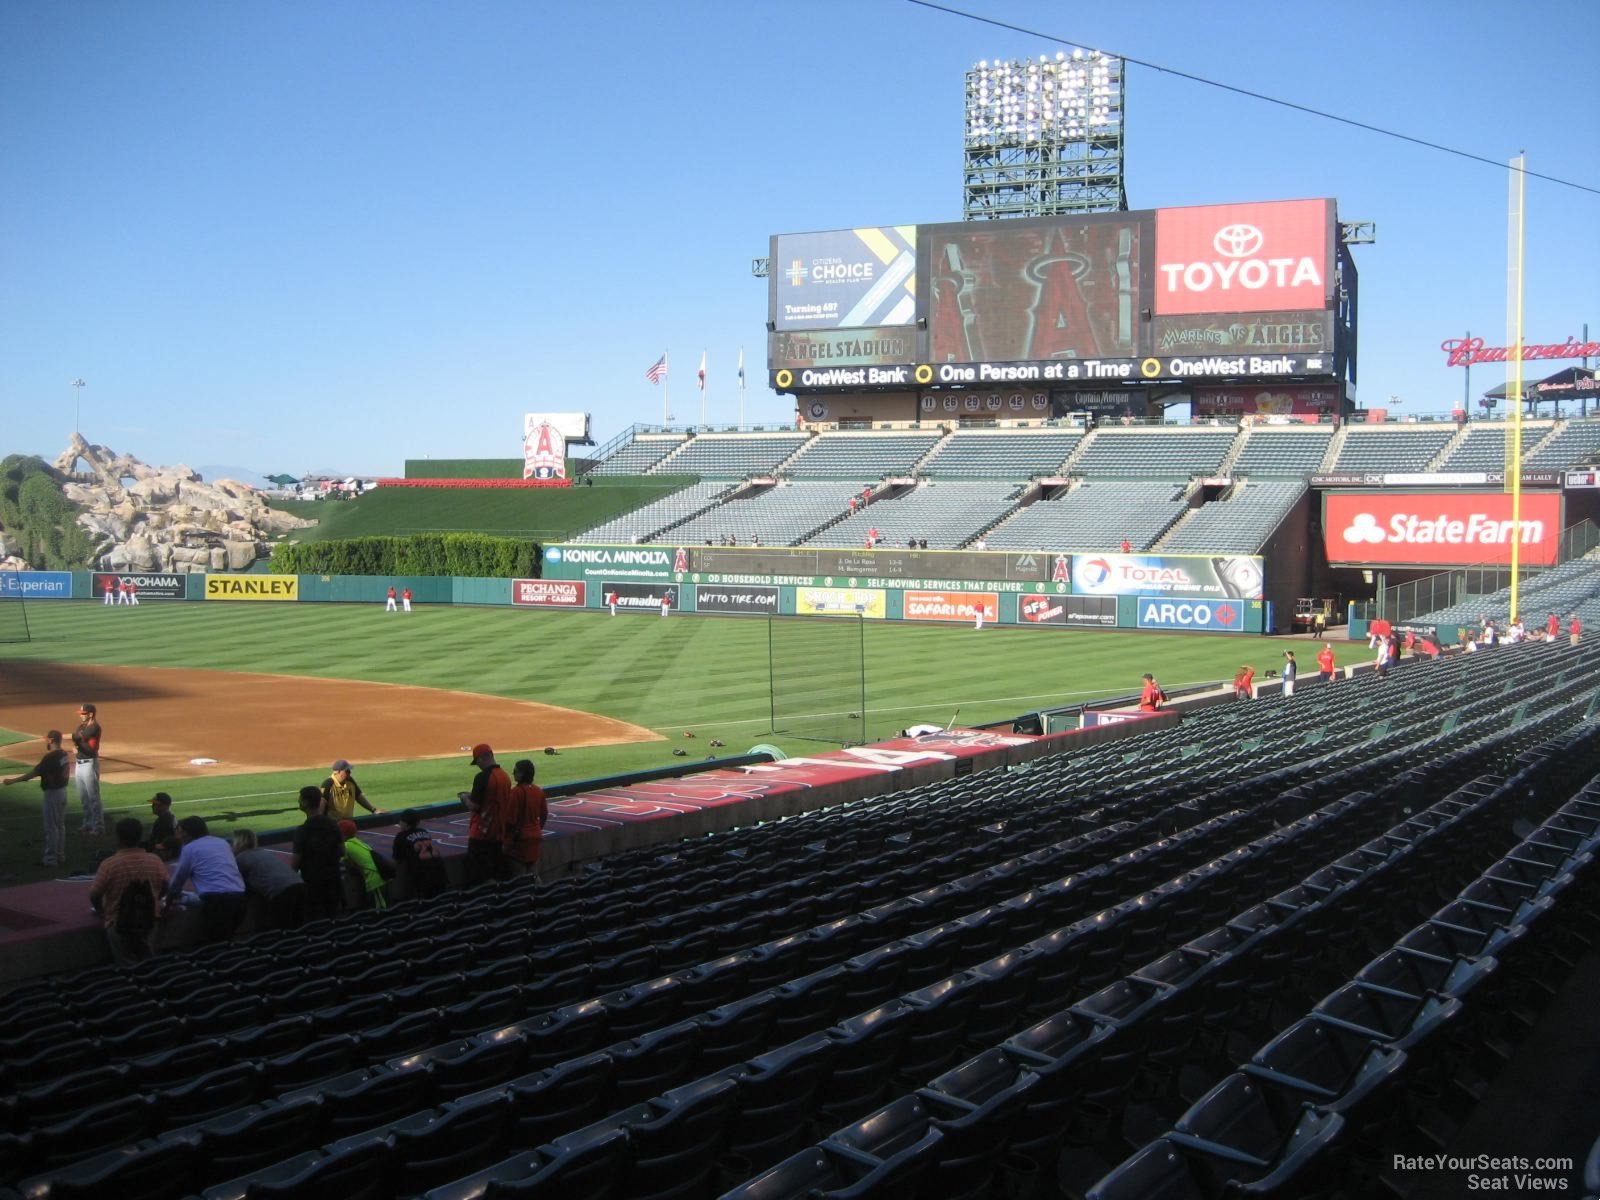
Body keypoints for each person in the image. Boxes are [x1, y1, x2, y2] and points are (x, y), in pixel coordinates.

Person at [89, 818, 169, 966]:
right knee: (150, 965)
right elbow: (166, 885)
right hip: (150, 921)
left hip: (119, 923)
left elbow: (94, 894)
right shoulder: (154, 860)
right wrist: (157, 899)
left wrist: (102, 911)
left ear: (118, 838)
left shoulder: (109, 864)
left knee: (127, 967)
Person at [165, 816, 248, 943]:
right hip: (240, 899)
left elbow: (177, 881)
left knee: (215, 946)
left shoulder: (189, 848)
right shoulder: (222, 842)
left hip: (217, 903)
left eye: (181, 831)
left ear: (187, 833)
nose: (179, 835)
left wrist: (168, 902)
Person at [3, 729, 71, 867]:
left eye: (47, 739)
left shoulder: (50, 757)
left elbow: (33, 774)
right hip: (63, 792)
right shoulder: (63, 754)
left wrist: (13, 781)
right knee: (60, 825)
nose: (46, 741)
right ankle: (60, 855)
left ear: (51, 740)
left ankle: (50, 859)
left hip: (53, 794)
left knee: (51, 827)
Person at [232, 829, 307, 930]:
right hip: (299, 885)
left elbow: (237, 884)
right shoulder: (263, 852)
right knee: (299, 927)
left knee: (282, 929)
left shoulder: (241, 858)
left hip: (281, 892)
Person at [292, 784, 345, 921]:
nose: (298, 801)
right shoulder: (333, 824)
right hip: (334, 880)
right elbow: (342, 851)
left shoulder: (302, 830)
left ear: (305, 802)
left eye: (300, 799)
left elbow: (294, 865)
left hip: (313, 885)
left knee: (316, 924)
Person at [460, 743, 510, 885]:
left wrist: (464, 798)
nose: (478, 765)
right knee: (496, 873)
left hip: (481, 834)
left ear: (482, 758)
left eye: (477, 762)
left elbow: (475, 806)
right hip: (499, 833)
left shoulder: (482, 777)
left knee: (479, 877)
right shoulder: (505, 776)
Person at [504, 760, 549, 881]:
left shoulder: (515, 793)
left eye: (516, 771)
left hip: (520, 842)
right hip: (535, 838)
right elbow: (544, 814)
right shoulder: (538, 791)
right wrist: (537, 829)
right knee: (534, 876)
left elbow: (510, 821)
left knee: (520, 880)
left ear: (523, 774)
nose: (513, 773)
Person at [392, 811, 448, 900]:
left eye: (400, 821)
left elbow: (397, 859)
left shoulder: (401, 836)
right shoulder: (424, 831)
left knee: (426, 903)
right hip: (439, 869)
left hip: (422, 874)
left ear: (405, 824)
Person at [338, 820, 390, 911]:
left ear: (343, 835)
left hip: (374, 879)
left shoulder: (346, 845)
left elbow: (341, 860)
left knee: (380, 908)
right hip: (377, 876)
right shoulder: (358, 842)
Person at [71, 702, 104, 836]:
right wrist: (77, 744)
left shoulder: (95, 727)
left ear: (91, 714)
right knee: (83, 796)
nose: (81, 716)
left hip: (90, 763)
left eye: (83, 714)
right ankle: (88, 823)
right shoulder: (81, 726)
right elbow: (77, 739)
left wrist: (77, 742)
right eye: (80, 714)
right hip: (79, 763)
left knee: (93, 797)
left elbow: (78, 738)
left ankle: (98, 827)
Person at [147, 791, 181, 859]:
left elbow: (159, 843)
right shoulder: (169, 817)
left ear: (165, 806)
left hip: (165, 858)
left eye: (155, 804)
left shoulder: (164, 821)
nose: (152, 806)